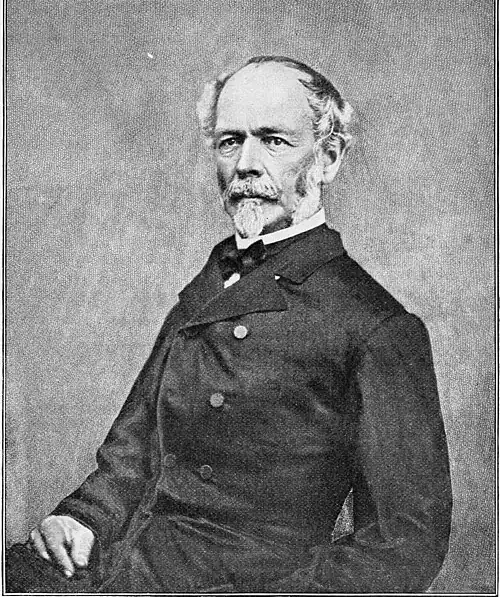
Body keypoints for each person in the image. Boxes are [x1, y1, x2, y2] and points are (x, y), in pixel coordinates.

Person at [6, 56, 452, 593]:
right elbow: (133, 453)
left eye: (273, 141)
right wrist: (82, 518)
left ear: (328, 158)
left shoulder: (375, 325)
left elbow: (404, 545)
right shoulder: (210, 286)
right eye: (229, 141)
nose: (245, 164)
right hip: (126, 562)